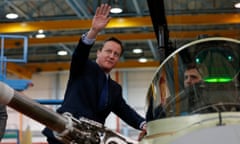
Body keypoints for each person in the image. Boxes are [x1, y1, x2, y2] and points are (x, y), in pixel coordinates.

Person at [42, 3, 146, 144]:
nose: (111, 56)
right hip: (65, 133)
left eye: (116, 54)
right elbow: (80, 53)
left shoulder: (115, 89)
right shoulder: (83, 67)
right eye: (108, 51)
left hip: (88, 138)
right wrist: (94, 31)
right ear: (98, 53)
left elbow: (125, 111)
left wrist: (143, 124)